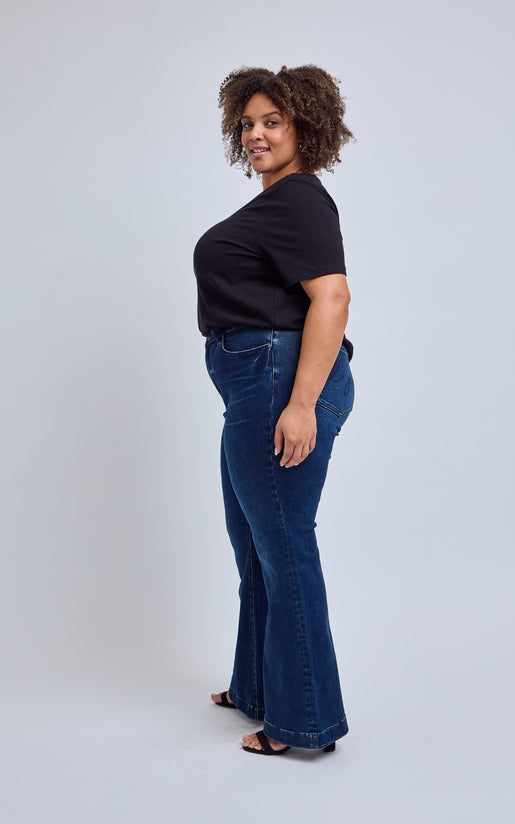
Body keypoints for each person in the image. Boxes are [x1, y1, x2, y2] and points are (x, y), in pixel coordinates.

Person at [193, 65, 355, 756]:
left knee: (283, 545)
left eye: (272, 122)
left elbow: (333, 298)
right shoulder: (276, 204)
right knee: (255, 542)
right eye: (248, 122)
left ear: (304, 128)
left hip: (279, 382)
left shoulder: (298, 200)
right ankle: (259, 684)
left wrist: (301, 405)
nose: (255, 134)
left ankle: (304, 721)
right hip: (255, 382)